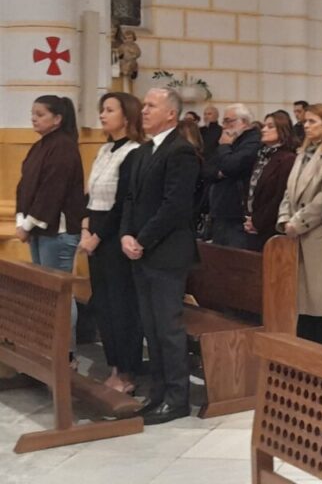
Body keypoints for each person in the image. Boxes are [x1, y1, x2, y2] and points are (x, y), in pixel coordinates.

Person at [120, 87, 200, 425]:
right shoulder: (142, 152)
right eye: (144, 106)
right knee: (150, 327)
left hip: (166, 253)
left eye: (151, 105)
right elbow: (130, 199)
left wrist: (142, 239)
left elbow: (175, 206)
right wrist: (125, 233)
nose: (144, 110)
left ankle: (177, 398)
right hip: (142, 251)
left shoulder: (180, 151)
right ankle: (158, 392)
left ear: (171, 113)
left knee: (168, 327)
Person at [80, 92, 145, 393]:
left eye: (109, 110)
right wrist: (84, 228)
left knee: (121, 306)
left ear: (128, 116)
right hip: (94, 231)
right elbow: (90, 195)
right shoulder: (105, 149)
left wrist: (96, 237)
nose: (103, 115)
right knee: (103, 305)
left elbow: (121, 204)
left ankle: (128, 372)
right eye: (101, 109)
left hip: (114, 237)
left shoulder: (133, 152)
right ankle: (114, 367)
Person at [16, 95, 86, 365]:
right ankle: (48, 348)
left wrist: (29, 224)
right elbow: (25, 187)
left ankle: (65, 354)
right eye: (33, 113)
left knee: (59, 293)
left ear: (58, 119)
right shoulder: (41, 146)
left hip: (58, 231)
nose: (34, 118)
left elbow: (52, 191)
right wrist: (23, 221)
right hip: (40, 229)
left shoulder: (64, 147)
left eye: (40, 114)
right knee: (44, 291)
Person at [277, 104, 322, 348]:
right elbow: (289, 191)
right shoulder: (302, 154)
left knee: (321, 299)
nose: (306, 126)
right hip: (297, 233)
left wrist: (297, 222)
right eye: (305, 122)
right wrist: (285, 218)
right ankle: (305, 353)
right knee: (303, 301)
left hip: (318, 235)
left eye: (312, 122)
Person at [205, 103, 261, 248]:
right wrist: (220, 171)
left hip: (237, 213)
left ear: (244, 122)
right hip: (220, 210)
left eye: (229, 121)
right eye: (224, 121)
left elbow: (232, 166)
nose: (224, 126)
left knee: (235, 261)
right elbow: (206, 169)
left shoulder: (253, 140)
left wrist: (224, 147)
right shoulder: (229, 140)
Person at [245, 112, 298, 251]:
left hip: (270, 226)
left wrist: (257, 222)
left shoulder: (288, 159)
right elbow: (252, 188)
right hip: (253, 220)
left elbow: (279, 196)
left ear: (282, 130)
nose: (264, 129)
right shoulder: (262, 155)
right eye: (264, 126)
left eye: (270, 126)